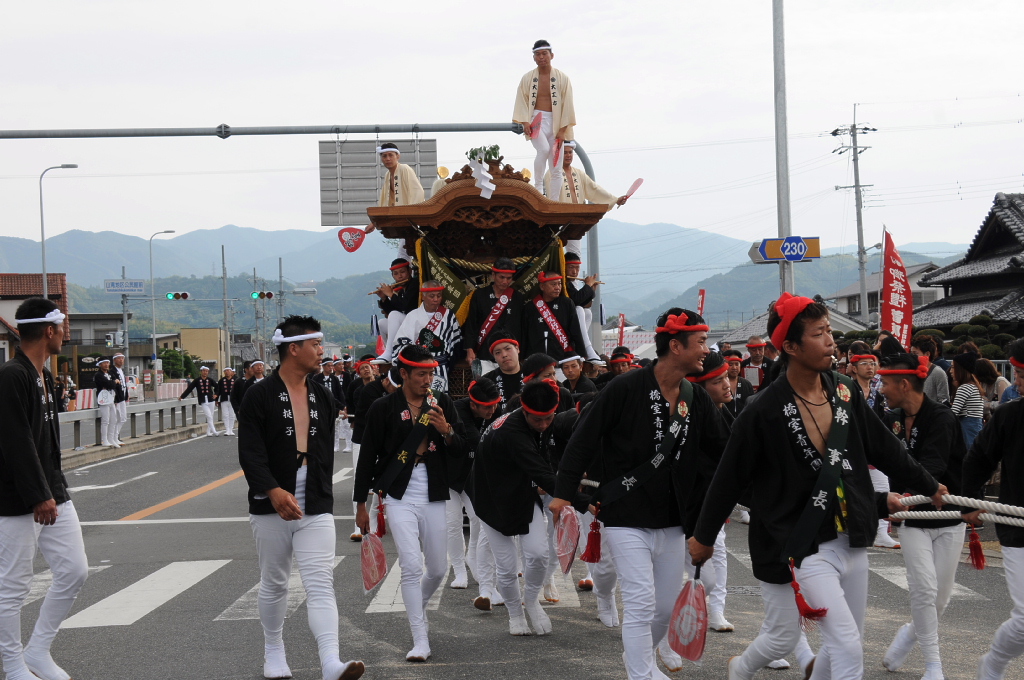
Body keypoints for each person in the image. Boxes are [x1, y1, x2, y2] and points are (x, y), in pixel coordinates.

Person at [689, 292, 945, 680]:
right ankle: (742, 668)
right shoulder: (763, 410)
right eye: (819, 333)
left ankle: (742, 669)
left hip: (851, 536)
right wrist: (705, 537)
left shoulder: (845, 391)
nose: (830, 341)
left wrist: (929, 485)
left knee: (844, 642)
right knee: (844, 646)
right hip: (803, 544)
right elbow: (729, 479)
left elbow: (885, 448)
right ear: (791, 346)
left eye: (829, 331)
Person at [551, 308, 731, 680]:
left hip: (673, 520)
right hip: (625, 516)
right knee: (639, 603)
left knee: (663, 609)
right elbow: (583, 440)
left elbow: (724, 456)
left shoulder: (695, 398)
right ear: (676, 346)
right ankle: (640, 674)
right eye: (700, 342)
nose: (706, 350)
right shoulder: (625, 388)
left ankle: (642, 662)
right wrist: (563, 493)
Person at [237, 315, 365, 680]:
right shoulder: (259, 394)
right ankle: (273, 650)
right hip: (271, 502)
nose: (322, 351)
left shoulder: (321, 393)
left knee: (321, 582)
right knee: (275, 581)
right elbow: (250, 452)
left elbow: (325, 448)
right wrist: (273, 490)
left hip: (315, 500)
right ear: (294, 349)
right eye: (316, 344)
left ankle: (331, 663)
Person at [353, 344, 467, 662]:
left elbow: (461, 447)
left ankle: (418, 605)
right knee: (412, 566)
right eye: (421, 374)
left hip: (434, 491)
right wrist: (360, 504)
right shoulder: (383, 407)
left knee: (438, 569)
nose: (427, 379)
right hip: (398, 494)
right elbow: (367, 458)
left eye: (431, 373)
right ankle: (420, 638)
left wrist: (446, 431)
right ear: (403, 373)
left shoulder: (442, 402)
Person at [0, 298, 89, 680]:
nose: (66, 334)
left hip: (52, 490)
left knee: (74, 570)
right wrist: (39, 495)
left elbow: (45, 443)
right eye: (63, 327)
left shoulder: (45, 376)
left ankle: (37, 651)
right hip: (16, 498)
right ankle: (12, 665)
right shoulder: (12, 375)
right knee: (13, 586)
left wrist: (53, 489)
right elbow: (15, 441)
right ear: (49, 330)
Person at [877, 354, 967, 680]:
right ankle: (933, 665)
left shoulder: (942, 417)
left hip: (948, 518)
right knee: (924, 591)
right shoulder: (891, 418)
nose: (881, 389)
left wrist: (909, 493)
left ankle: (908, 634)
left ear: (904, 384)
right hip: (913, 518)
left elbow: (934, 465)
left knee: (940, 599)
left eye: (886, 383)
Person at [474, 379, 561, 636]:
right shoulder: (512, 432)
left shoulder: (538, 423)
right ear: (524, 411)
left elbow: (544, 459)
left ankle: (531, 601)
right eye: (538, 420)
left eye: (549, 418)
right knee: (507, 565)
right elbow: (541, 472)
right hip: (491, 498)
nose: (543, 424)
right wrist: (581, 501)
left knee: (538, 554)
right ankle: (515, 614)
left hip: (522, 491)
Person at [965, 338, 1024, 680]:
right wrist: (971, 500)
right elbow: (978, 459)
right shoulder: (1010, 415)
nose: (1017, 382)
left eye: (1022, 375)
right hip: (1017, 527)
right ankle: (994, 663)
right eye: (1017, 374)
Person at [449, 378, 501, 601]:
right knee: (452, 524)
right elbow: (476, 440)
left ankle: (473, 558)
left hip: (473, 474)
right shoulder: (457, 410)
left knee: (479, 518)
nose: (492, 410)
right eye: (487, 407)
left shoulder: (496, 412)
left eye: (495, 405)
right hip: (448, 474)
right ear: (473, 404)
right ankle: (459, 570)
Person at [512, 39, 576, 199]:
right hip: (536, 120)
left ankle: (554, 200)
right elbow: (521, 100)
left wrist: (562, 130)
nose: (541, 57)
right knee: (544, 150)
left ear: (551, 55)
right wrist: (525, 122)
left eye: (544, 54)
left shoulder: (562, 78)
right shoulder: (528, 78)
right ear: (534, 57)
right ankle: (538, 187)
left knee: (556, 165)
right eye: (538, 54)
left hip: (557, 122)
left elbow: (568, 104)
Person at [548, 146, 628, 258]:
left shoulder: (579, 173)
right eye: (565, 153)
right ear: (559, 154)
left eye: (570, 152)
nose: (568, 155)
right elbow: (550, 197)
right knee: (554, 253)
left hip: (576, 220)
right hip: (558, 219)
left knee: (575, 255)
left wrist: (615, 200)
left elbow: (594, 189)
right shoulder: (551, 174)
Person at [347, 358, 396, 542]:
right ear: (387, 380)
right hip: (362, 440)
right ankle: (358, 525)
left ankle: (374, 523)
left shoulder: (394, 393)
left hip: (384, 443)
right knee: (360, 479)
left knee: (381, 483)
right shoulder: (369, 391)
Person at [390, 280, 463, 393]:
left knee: (438, 398)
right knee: (419, 396)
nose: (436, 299)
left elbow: (455, 341)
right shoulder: (413, 316)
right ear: (423, 296)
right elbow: (402, 340)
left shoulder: (448, 315)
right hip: (418, 367)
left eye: (439, 295)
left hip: (440, 366)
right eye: (432, 296)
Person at [462, 258, 524, 370]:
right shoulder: (480, 295)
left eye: (509, 278)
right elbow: (472, 324)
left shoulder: (517, 297)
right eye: (502, 277)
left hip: (511, 355)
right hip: (485, 352)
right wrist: (470, 349)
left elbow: (523, 326)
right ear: (493, 275)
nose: (505, 281)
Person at [521, 272, 588, 362]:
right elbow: (525, 335)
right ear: (542, 287)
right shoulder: (530, 307)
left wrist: (582, 354)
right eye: (553, 284)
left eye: (559, 284)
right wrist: (522, 357)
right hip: (537, 359)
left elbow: (575, 331)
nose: (557, 287)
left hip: (562, 358)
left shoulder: (567, 303)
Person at [373, 258, 420, 363]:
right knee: (382, 323)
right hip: (406, 324)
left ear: (410, 271)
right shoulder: (401, 290)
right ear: (392, 276)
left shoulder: (415, 284)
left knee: (394, 315)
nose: (400, 276)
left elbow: (405, 306)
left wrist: (391, 294)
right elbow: (393, 311)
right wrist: (384, 298)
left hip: (417, 324)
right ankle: (389, 350)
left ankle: (390, 352)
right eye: (396, 274)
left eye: (402, 272)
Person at [563, 252, 602, 360]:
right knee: (579, 310)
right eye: (571, 267)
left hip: (569, 318)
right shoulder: (563, 282)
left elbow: (585, 304)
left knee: (587, 313)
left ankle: (583, 342)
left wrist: (591, 290)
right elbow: (576, 301)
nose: (575, 272)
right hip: (561, 316)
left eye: (577, 268)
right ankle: (586, 347)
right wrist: (587, 286)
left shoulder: (569, 283)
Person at [950, 352, 985, 448]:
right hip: (976, 423)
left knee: (969, 450)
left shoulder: (964, 387)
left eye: (953, 367)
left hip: (968, 424)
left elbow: (954, 412)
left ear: (961, 370)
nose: (950, 371)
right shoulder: (973, 385)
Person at [482, 333, 524, 410]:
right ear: (494, 357)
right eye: (498, 352)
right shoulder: (486, 382)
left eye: (508, 349)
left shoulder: (533, 375)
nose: (504, 355)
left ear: (517, 349)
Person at [180, 365, 220, 437]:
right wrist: (182, 396)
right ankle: (214, 431)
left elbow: (217, 387)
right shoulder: (197, 380)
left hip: (211, 400)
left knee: (211, 416)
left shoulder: (210, 380)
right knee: (209, 416)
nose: (205, 372)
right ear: (201, 371)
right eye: (204, 371)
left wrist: (216, 394)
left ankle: (208, 432)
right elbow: (189, 389)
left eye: (206, 371)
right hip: (203, 400)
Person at [910, 337, 951, 405]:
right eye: (911, 353)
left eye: (915, 353)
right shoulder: (912, 371)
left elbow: (944, 400)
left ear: (927, 354)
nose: (912, 357)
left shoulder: (938, 373)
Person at [93, 357, 119, 447]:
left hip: (112, 399)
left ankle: (111, 439)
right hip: (103, 399)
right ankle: (104, 440)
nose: (106, 365)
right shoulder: (98, 375)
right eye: (104, 363)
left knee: (114, 420)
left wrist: (113, 383)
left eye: (107, 363)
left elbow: (115, 385)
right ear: (100, 364)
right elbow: (108, 384)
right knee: (105, 420)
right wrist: (114, 382)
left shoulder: (110, 373)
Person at [722, 349, 754, 416]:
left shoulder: (747, 384)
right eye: (730, 364)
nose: (734, 367)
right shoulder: (720, 384)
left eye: (737, 364)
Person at [111, 353, 129, 445]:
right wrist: (115, 399)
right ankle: (113, 438)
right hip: (117, 398)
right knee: (117, 419)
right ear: (114, 360)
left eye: (122, 358)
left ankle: (115, 437)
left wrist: (126, 395)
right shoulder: (112, 371)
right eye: (119, 358)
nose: (121, 360)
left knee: (122, 418)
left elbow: (124, 385)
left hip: (122, 397)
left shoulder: (122, 370)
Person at [216, 367, 238, 436]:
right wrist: (216, 400)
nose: (227, 372)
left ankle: (231, 429)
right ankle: (227, 429)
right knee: (225, 415)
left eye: (228, 371)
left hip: (233, 399)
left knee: (232, 415)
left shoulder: (236, 380)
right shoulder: (221, 381)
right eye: (225, 371)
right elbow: (218, 390)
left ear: (231, 372)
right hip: (224, 399)